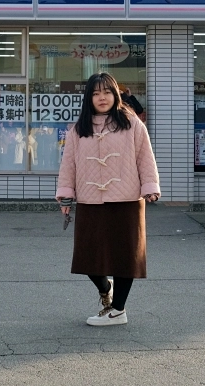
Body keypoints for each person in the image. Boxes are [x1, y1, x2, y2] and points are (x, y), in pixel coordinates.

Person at [55, 72, 161, 326]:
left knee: (125, 256)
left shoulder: (132, 123)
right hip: (90, 199)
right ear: (88, 97)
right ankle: (106, 289)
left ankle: (118, 310)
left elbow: (144, 157)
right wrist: (66, 196)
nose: (102, 98)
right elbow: (68, 164)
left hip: (126, 197)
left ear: (115, 94)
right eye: (95, 93)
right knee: (88, 256)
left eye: (107, 92)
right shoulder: (78, 129)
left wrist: (150, 185)